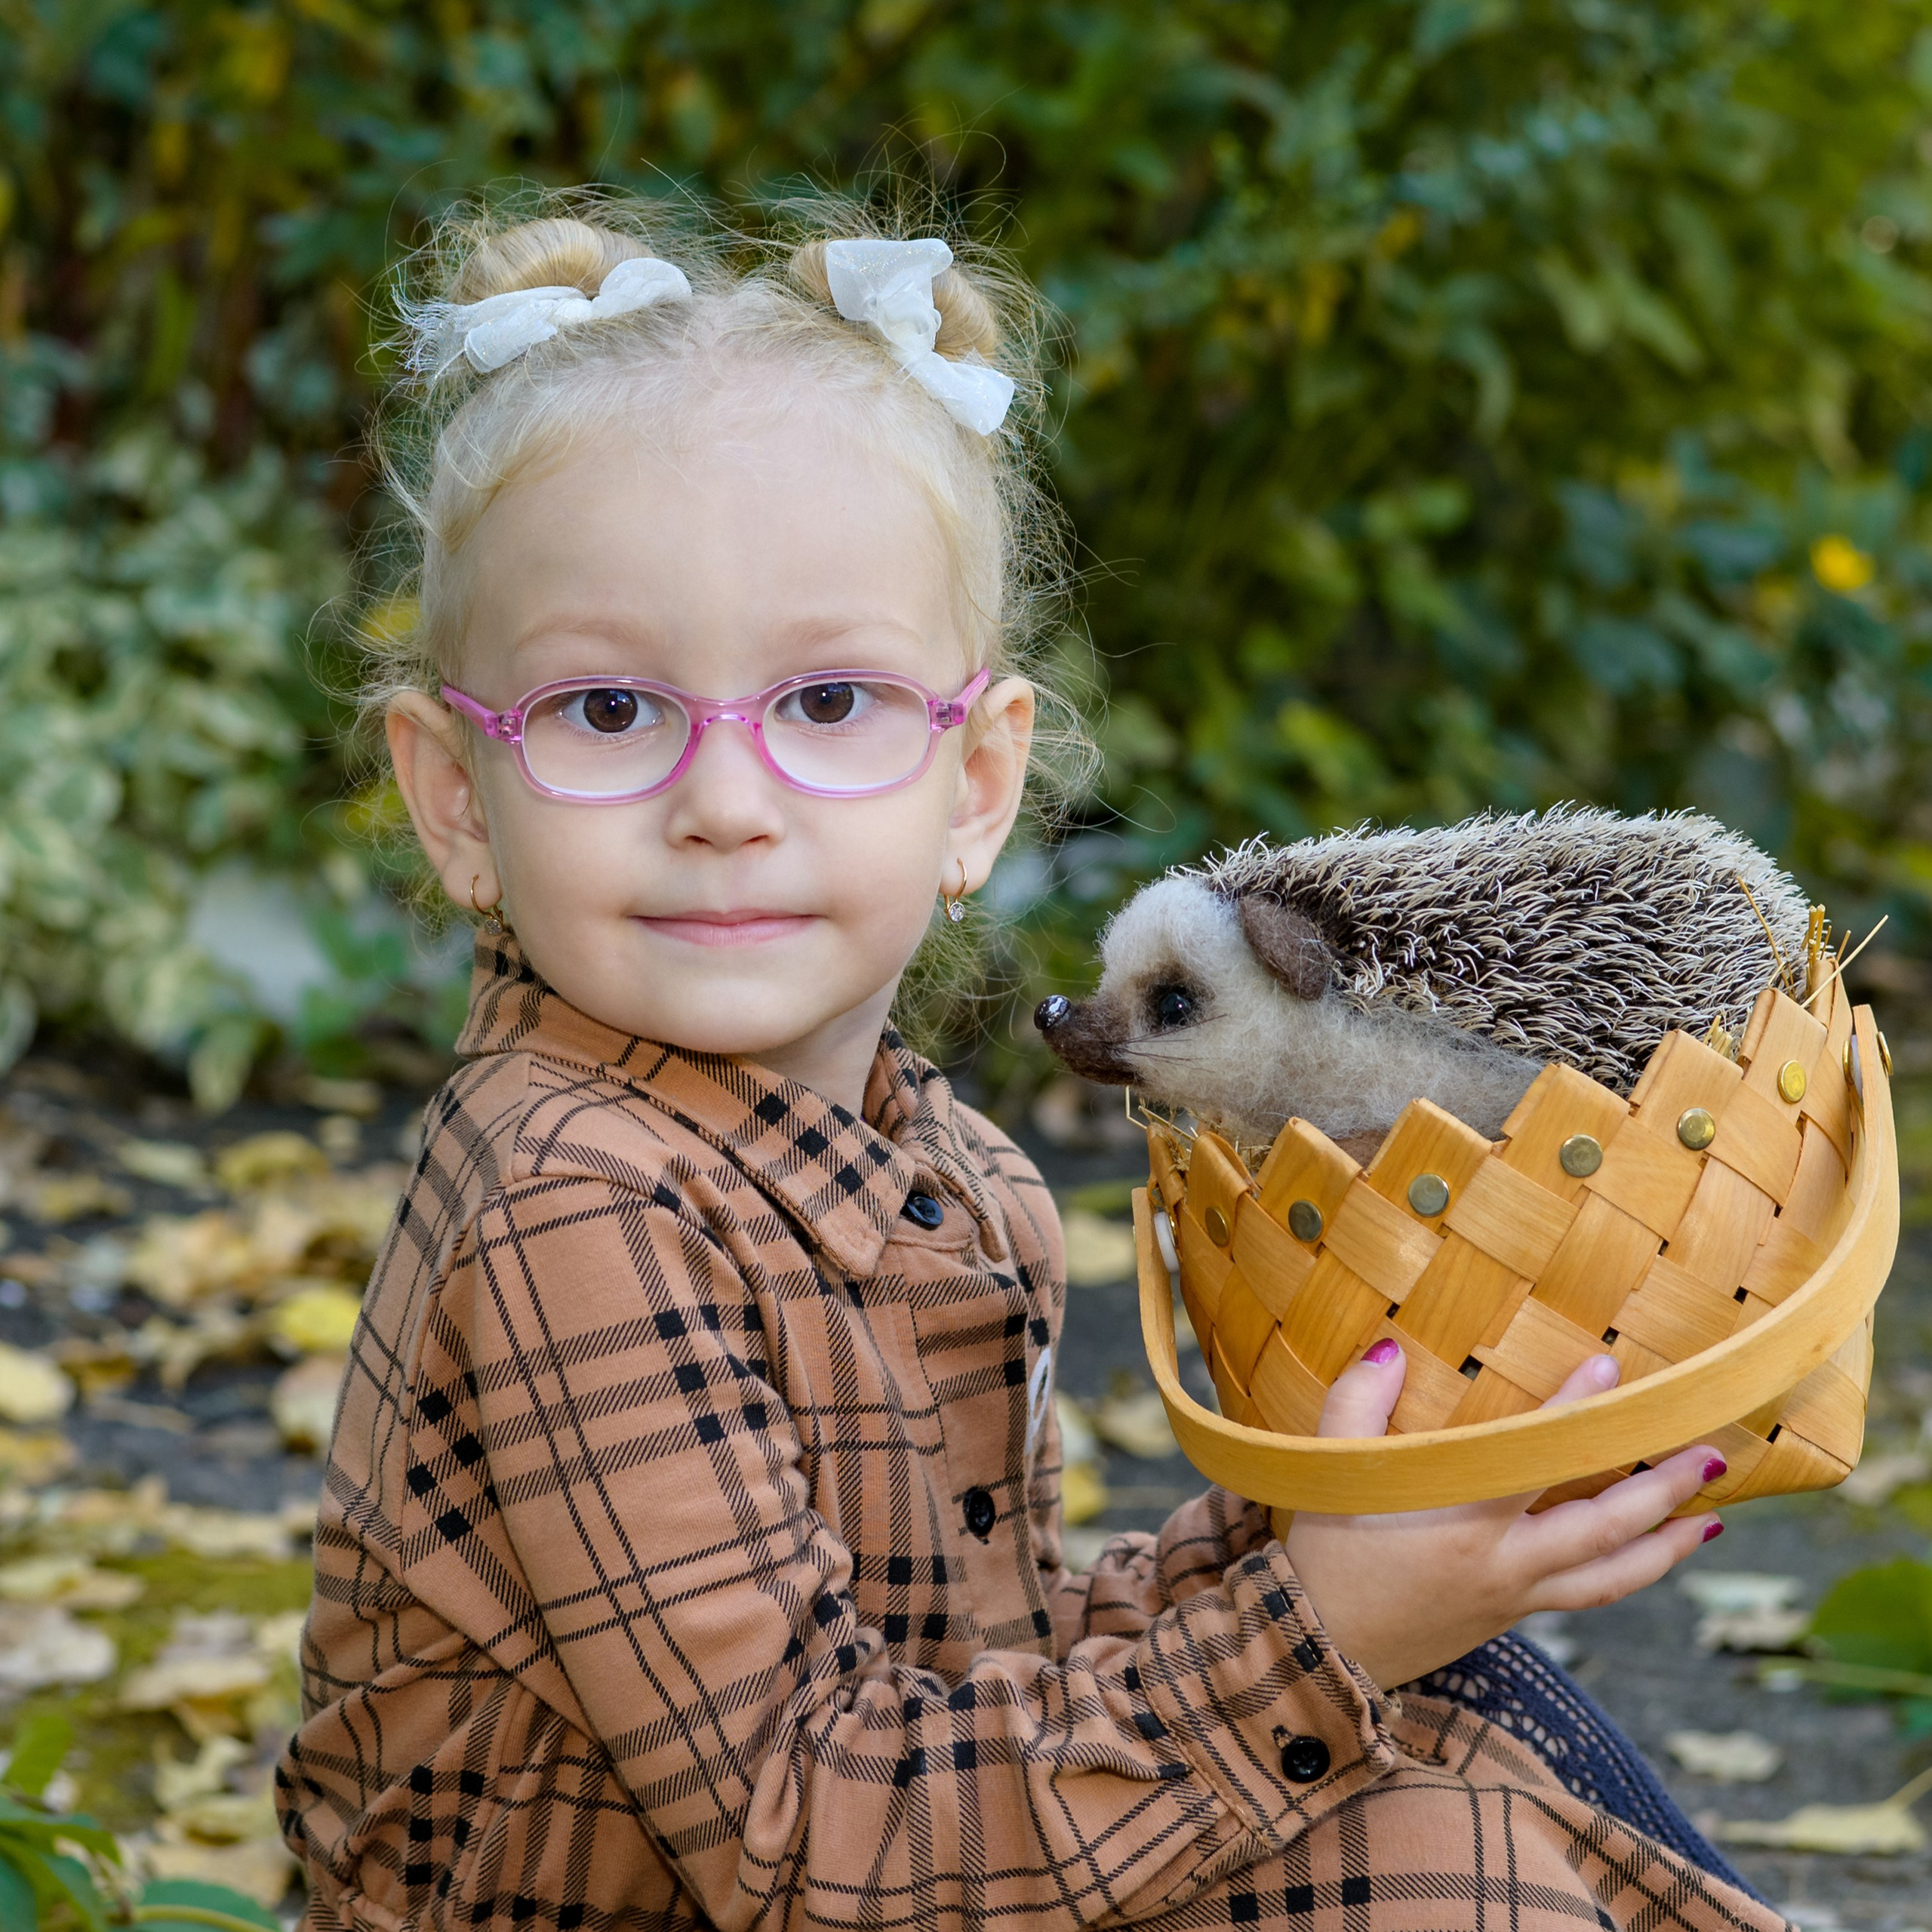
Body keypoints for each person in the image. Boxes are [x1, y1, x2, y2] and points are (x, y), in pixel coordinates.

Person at [276, 189, 1784, 1932]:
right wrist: (1318, 1629)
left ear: (975, 788)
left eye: (826, 702)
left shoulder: (961, 1181)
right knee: (1422, 1849)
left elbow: (977, 1685)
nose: (725, 802)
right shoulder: (573, 1202)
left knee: (1456, 1780)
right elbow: (811, 1843)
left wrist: (1323, 1544)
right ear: (456, 799)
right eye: (607, 709)